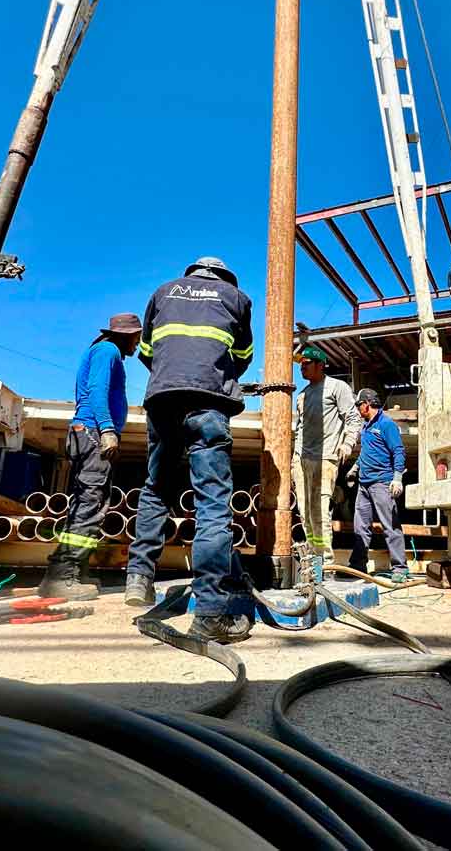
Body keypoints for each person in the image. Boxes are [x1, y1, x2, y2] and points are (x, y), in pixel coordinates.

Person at [124, 257, 255, 644]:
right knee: (212, 502)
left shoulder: (162, 292)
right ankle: (211, 613)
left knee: (156, 486)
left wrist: (174, 374)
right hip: (208, 403)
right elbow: (243, 358)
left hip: (162, 397)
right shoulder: (236, 298)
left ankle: (139, 578)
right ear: (224, 277)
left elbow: (147, 350)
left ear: (192, 272)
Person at [39, 313, 142, 600]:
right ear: (126, 335)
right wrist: (108, 429)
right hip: (94, 432)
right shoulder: (107, 350)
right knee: (89, 504)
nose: (138, 342)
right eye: (137, 336)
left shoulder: (103, 351)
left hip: (88, 431)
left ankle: (75, 571)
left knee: (89, 502)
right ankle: (62, 575)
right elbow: (97, 390)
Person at [291, 347, 362, 579]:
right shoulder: (302, 395)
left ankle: (326, 565)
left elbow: (353, 418)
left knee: (320, 511)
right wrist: (295, 457)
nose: (302, 367)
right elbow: (299, 429)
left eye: (307, 363)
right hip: (303, 460)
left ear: (321, 365)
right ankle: (313, 560)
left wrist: (347, 444)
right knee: (305, 513)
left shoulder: (336, 388)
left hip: (326, 457)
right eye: (300, 364)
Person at [346, 388, 410, 584]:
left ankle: (400, 567)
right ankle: (358, 565)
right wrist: (355, 469)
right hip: (364, 485)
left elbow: (399, 451)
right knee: (360, 527)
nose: (357, 409)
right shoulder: (366, 427)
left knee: (390, 526)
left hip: (382, 483)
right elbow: (367, 451)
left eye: (358, 405)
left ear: (366, 404)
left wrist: (397, 477)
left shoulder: (386, 424)